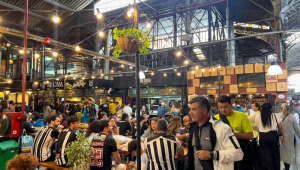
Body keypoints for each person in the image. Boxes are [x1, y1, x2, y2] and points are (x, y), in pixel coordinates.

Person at [186, 95, 244, 170]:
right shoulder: (193, 127)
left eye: (194, 109)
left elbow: (238, 154)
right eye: (190, 109)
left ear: (204, 110)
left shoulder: (222, 128)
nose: (190, 113)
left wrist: (212, 154)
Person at [215, 95, 253, 170]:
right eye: (220, 107)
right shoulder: (215, 118)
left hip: (240, 153)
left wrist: (231, 135)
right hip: (224, 154)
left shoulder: (242, 116)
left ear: (231, 105)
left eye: (225, 107)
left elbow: (250, 136)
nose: (223, 110)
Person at [255, 102, 286, 170]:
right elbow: (280, 127)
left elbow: (258, 127)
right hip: (273, 136)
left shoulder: (258, 116)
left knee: (266, 155)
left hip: (263, 136)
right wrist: (284, 136)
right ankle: (276, 168)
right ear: (271, 108)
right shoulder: (275, 115)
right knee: (275, 154)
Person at [278, 104, 300, 170]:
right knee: (289, 153)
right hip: (291, 137)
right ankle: (287, 167)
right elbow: (297, 128)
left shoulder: (278, 116)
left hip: (281, 137)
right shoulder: (292, 117)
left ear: (280, 109)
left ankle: (285, 167)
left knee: (283, 153)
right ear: (289, 109)